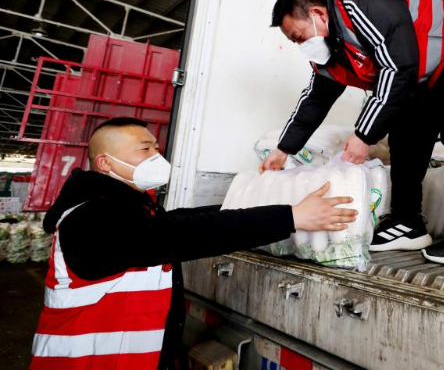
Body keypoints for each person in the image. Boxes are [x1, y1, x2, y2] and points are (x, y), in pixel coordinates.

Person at [29, 117, 357, 370]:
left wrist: (258, 200)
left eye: (156, 148)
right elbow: (182, 233)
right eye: (145, 149)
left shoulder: (127, 211)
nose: (156, 156)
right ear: (105, 163)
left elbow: (182, 220)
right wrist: (290, 217)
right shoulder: (89, 219)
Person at [261, 0, 444, 265]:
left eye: (299, 37)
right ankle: (407, 221)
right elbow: (316, 98)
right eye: (294, 42)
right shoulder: (332, 50)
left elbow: (398, 68)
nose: (301, 46)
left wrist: (363, 135)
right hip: (425, 68)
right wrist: (284, 149)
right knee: (405, 135)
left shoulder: (361, 8)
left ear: (318, 14)